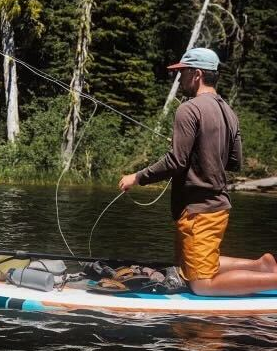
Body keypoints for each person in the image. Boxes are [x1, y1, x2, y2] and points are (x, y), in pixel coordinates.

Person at [119, 48, 277, 296]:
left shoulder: (189, 109)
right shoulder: (229, 112)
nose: (180, 78)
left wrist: (137, 178)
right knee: (186, 268)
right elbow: (234, 161)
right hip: (216, 205)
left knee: (201, 284)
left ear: (197, 74)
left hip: (199, 210)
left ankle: (272, 280)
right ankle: (260, 266)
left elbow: (175, 161)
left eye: (182, 72)